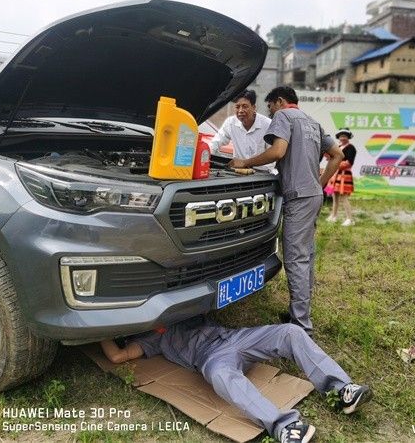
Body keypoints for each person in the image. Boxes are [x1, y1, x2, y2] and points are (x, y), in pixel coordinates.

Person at [100, 316, 373, 443]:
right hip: (212, 358)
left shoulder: (178, 302)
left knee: (289, 332)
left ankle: (342, 389)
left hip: (235, 338)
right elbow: (117, 357)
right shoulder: (151, 338)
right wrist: (100, 330)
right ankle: (285, 427)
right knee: (220, 376)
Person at [229, 86, 344, 336]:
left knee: (295, 258)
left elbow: (278, 151)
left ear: (280, 102)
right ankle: (299, 313)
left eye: (270, 107)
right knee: (307, 255)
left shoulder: (284, 116)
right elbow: (337, 155)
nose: (271, 115)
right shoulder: (313, 122)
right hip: (312, 196)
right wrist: (320, 184)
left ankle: (301, 326)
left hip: (299, 198)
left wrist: (245, 162)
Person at [210, 89, 275, 172]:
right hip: (239, 173)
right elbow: (215, 143)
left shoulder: (268, 125)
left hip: (262, 175)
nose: (240, 111)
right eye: (237, 107)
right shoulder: (230, 123)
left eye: (245, 106)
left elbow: (272, 157)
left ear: (254, 107)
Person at [326, 128, 357, 226]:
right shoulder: (338, 147)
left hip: (344, 175)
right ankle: (334, 216)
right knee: (334, 196)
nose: (342, 138)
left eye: (345, 136)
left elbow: (348, 163)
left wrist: (335, 163)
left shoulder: (351, 148)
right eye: (341, 136)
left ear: (348, 137)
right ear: (338, 137)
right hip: (335, 174)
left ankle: (349, 219)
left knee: (344, 197)